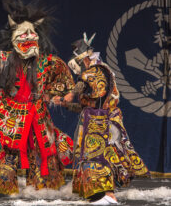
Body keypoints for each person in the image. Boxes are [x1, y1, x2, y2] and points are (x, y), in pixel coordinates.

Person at [0, 0, 74, 196]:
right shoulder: (5, 59)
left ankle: (44, 187)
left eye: (32, 34)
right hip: (9, 113)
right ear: (14, 38)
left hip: (37, 114)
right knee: (4, 153)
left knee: (42, 156)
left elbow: (63, 79)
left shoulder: (48, 62)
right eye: (23, 34)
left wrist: (53, 94)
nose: (28, 37)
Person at [53, 33, 150, 205]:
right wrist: (63, 103)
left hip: (101, 121)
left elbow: (84, 84)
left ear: (83, 60)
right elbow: (84, 106)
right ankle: (100, 194)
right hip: (98, 119)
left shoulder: (97, 71)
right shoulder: (97, 73)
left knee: (97, 156)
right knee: (101, 156)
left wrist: (69, 95)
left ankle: (108, 195)